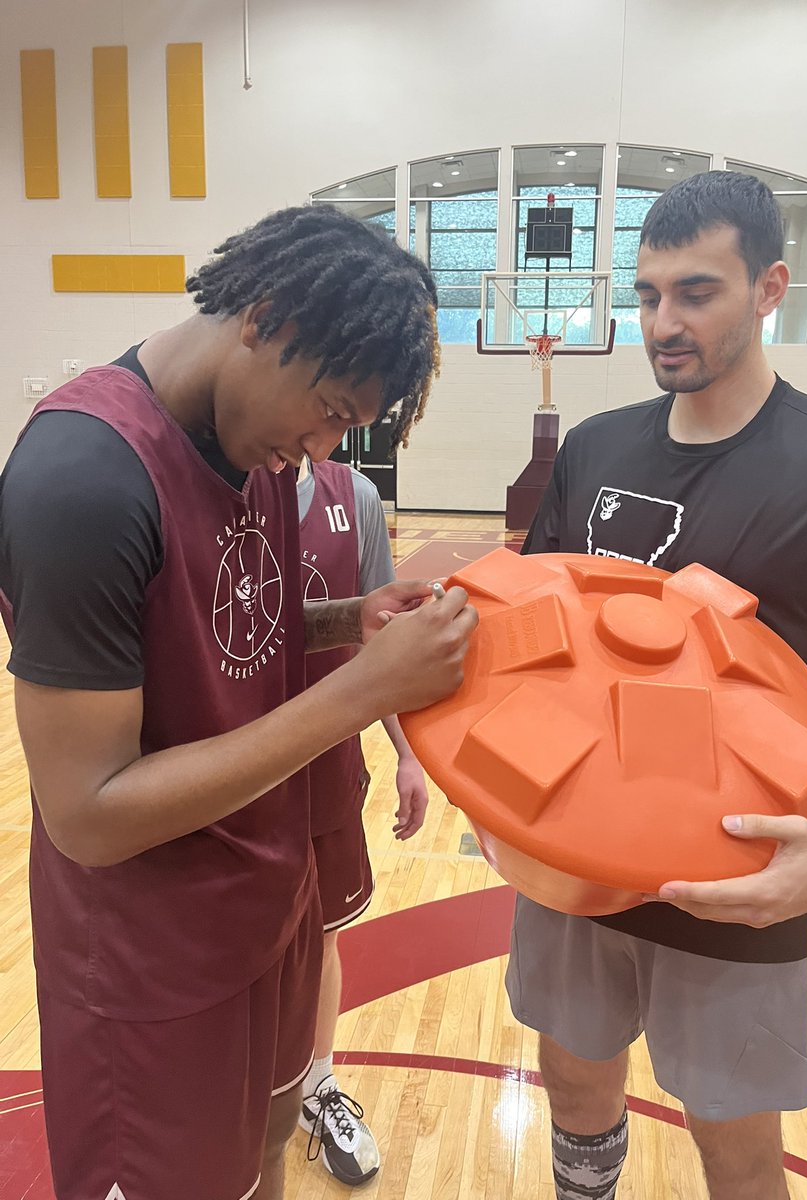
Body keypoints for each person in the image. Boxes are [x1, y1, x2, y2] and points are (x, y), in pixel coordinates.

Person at [0, 204, 477, 1200]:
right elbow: (87, 813)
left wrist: (348, 620)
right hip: (152, 962)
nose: (324, 446)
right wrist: (362, 693)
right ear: (264, 319)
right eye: (330, 410)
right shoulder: (82, 480)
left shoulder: (254, 442)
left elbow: (224, 624)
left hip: (270, 899)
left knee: (263, 1158)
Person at [508, 171, 807, 1200]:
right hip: (577, 862)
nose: (663, 322)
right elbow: (528, 642)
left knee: (736, 1145)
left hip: (740, 882)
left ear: (769, 289)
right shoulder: (594, 447)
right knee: (572, 1083)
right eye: (647, 295)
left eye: (696, 293)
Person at [295, 453, 429, 1185]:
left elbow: (380, 643)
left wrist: (407, 753)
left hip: (325, 766)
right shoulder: (211, 487)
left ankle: (317, 1087)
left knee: (323, 936)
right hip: (225, 774)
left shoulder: (358, 498)